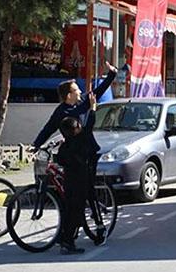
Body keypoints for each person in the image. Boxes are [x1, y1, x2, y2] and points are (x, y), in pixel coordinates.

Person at [32, 62, 118, 246]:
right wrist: (36, 145)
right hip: (73, 156)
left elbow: (98, 91)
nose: (80, 92)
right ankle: (69, 232)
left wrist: (111, 74)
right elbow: (48, 128)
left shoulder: (82, 105)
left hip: (88, 154)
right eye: (76, 90)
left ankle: (98, 225)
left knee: (88, 191)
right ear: (68, 95)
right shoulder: (61, 111)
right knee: (74, 193)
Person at [57, 110, 96, 255]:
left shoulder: (65, 145)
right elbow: (90, 125)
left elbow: (59, 160)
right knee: (77, 212)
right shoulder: (81, 140)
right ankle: (68, 242)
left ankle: (65, 238)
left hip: (69, 181)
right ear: (76, 129)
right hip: (81, 180)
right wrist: (92, 109)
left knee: (69, 210)